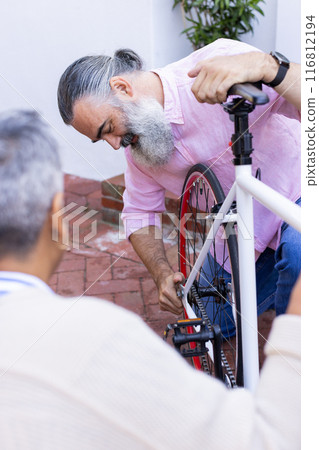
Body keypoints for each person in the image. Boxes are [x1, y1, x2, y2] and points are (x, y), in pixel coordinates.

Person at [0, 109, 300, 448]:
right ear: (57, 216)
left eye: (108, 131)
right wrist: (301, 323)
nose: (115, 146)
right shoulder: (97, 335)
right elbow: (257, 441)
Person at [57, 39, 301, 322]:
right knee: (203, 318)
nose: (114, 145)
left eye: (108, 128)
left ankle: (291, 350)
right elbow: (139, 212)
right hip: (241, 240)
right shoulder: (140, 149)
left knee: (299, 254)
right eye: (101, 140)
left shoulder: (218, 62)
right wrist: (161, 273)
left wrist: (272, 68)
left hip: (298, 196)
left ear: (122, 88)